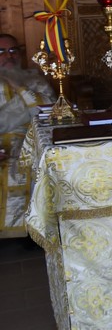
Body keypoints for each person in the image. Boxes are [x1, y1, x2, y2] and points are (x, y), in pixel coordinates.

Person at [0, 33, 52, 235]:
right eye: (2, 52)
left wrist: (20, 89)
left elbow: (48, 109)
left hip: (32, 138)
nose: (9, 56)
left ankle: (32, 231)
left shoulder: (34, 79)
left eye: (13, 51)